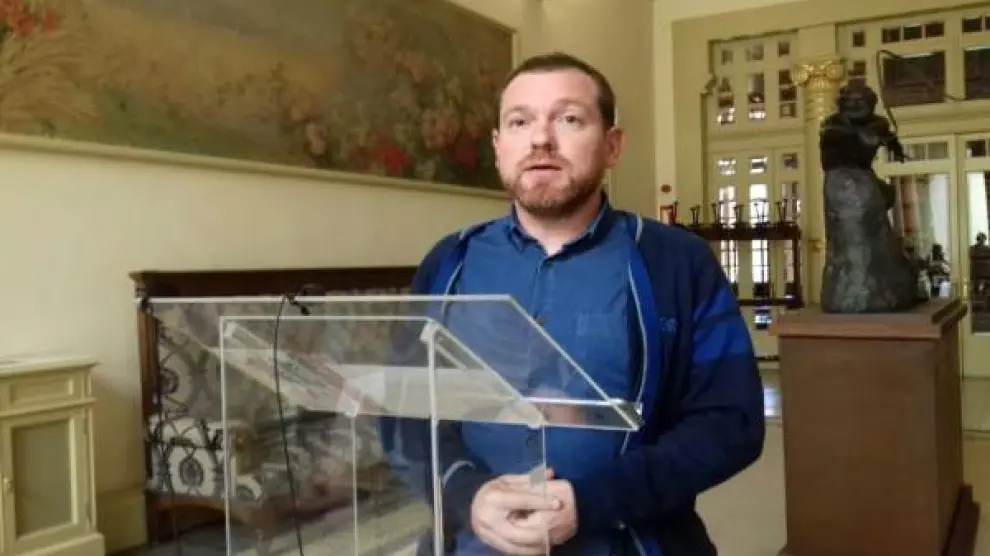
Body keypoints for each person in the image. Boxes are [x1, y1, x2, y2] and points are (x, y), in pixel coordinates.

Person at [379, 51, 765, 556]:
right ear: (498, 147)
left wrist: (593, 501)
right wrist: (466, 495)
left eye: (569, 119)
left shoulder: (676, 262)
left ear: (612, 145)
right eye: (519, 122)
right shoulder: (448, 262)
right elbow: (403, 410)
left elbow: (731, 423)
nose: (541, 139)